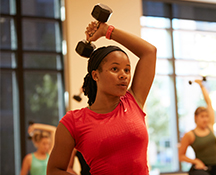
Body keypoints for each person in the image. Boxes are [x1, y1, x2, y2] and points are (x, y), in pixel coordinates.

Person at [47, 20, 157, 175]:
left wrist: (107, 31)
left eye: (127, 70)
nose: (123, 75)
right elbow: (54, 170)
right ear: (95, 75)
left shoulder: (133, 101)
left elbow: (149, 52)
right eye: (115, 69)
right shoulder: (73, 122)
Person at [178, 80, 216, 175]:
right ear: (196, 118)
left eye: (207, 116)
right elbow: (181, 156)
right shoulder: (190, 134)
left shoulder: (210, 127)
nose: (205, 119)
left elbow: (209, 103)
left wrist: (202, 86)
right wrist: (196, 161)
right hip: (200, 169)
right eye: (202, 116)